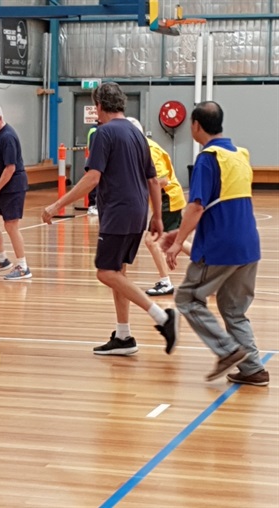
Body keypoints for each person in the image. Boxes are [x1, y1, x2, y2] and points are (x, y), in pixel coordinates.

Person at [42, 82, 179, 356]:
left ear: (99, 107)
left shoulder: (103, 134)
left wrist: (57, 204)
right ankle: (124, 336)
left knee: (105, 272)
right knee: (118, 272)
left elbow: (93, 177)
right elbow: (153, 180)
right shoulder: (137, 133)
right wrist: (156, 216)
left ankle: (162, 318)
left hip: (118, 212)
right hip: (138, 211)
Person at [161, 101, 269, 385]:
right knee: (233, 309)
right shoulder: (240, 154)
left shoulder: (208, 158)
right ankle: (253, 368)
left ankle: (227, 351)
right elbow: (222, 206)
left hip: (221, 247)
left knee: (187, 298)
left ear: (196, 125)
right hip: (249, 245)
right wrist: (179, 234)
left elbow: (197, 207)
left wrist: (176, 243)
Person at [127, 117, 191, 296]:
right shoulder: (138, 148)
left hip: (167, 197)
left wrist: (137, 189)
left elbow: (162, 180)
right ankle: (210, 263)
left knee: (151, 240)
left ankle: (165, 282)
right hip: (166, 198)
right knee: (172, 239)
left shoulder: (151, 150)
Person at [0, 102, 32, 280]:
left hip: (12, 187)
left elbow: (10, 168)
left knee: (11, 225)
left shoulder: (7, 137)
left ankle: (23, 267)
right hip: (1, 188)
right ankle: (2, 260)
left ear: (0, 118)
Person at [86, 122, 99, 216]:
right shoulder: (95, 131)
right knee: (93, 183)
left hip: (95, 159)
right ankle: (92, 205)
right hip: (95, 160)